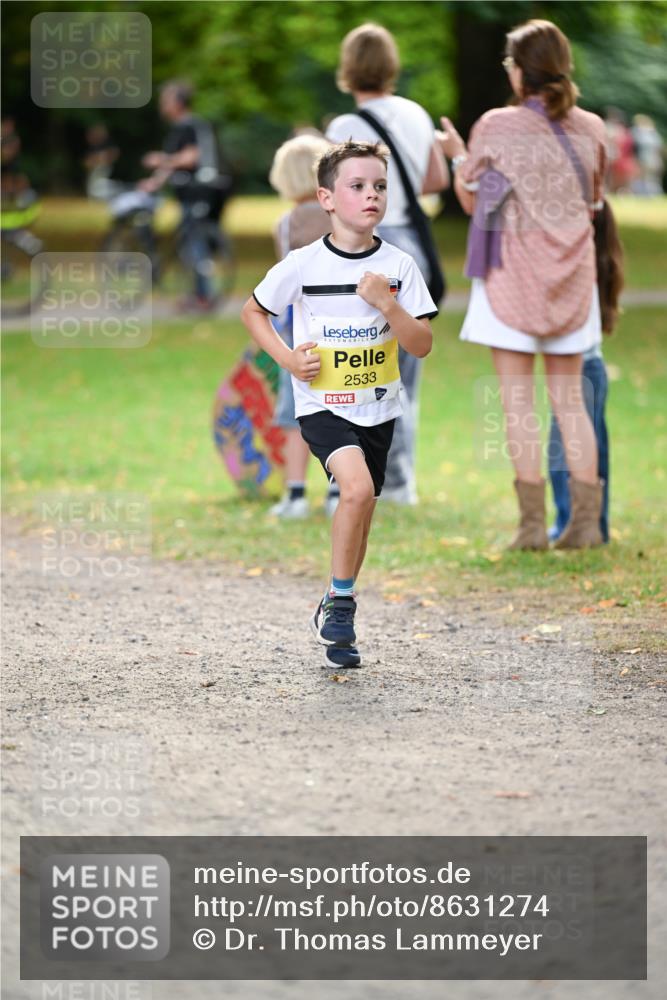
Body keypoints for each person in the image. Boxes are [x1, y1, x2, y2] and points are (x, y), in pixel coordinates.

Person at [241, 141, 436, 667]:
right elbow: (253, 311)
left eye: (379, 186)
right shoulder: (302, 264)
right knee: (358, 488)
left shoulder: (398, 265)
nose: (370, 195)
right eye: (357, 186)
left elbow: (420, 344)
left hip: (379, 407)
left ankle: (336, 596)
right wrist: (287, 359)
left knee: (362, 506)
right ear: (326, 197)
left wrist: (387, 303)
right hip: (322, 404)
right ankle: (345, 605)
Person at [439, 18, 608, 549]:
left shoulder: (495, 125)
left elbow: (471, 201)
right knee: (571, 402)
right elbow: (595, 201)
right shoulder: (594, 128)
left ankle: (532, 528)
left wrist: (457, 154)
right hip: (574, 278)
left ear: (519, 72)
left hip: (511, 275)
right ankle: (584, 525)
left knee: (516, 402)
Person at [325, 23, 449, 505]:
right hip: (411, 249)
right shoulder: (416, 114)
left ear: (349, 68)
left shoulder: (341, 127)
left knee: (351, 367)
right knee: (401, 375)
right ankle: (399, 485)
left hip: (365, 248)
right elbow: (435, 179)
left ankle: (351, 486)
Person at [266, 133, 340, 520]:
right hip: (343, 329)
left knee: (295, 414)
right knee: (340, 410)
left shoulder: (286, 223)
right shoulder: (339, 214)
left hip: (299, 333)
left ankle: (295, 494)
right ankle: (336, 491)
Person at [140, 80, 231, 311]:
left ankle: (203, 296)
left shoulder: (189, 125)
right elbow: (173, 164)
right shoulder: (184, 127)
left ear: (179, 103)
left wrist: (161, 160)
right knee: (187, 240)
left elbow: (190, 158)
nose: (162, 105)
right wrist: (155, 181)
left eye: (166, 100)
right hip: (192, 191)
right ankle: (196, 294)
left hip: (200, 190)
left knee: (194, 241)